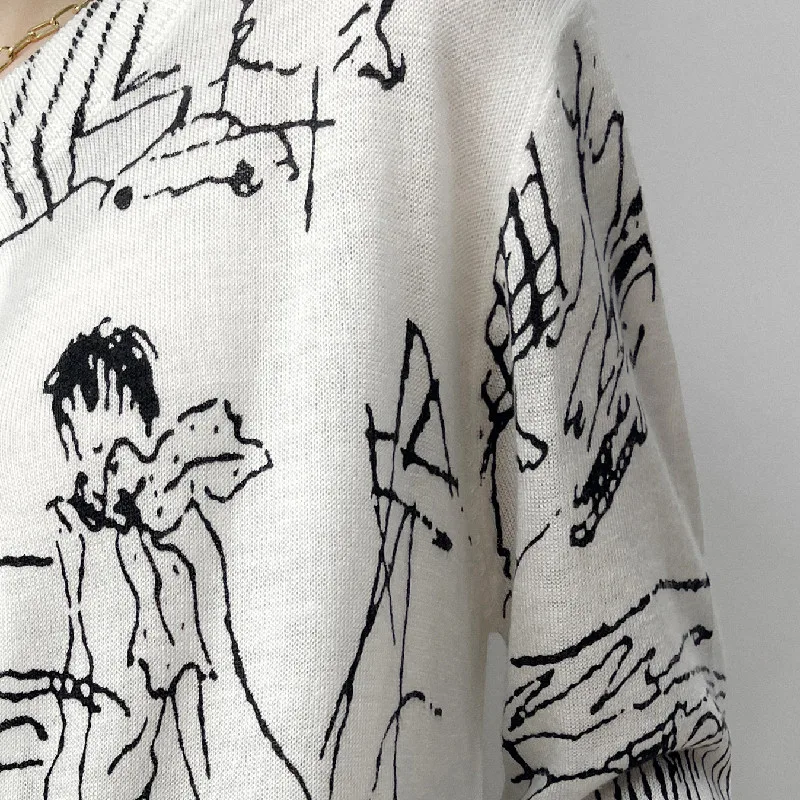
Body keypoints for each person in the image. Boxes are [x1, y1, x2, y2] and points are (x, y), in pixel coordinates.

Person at [0, 0, 731, 799]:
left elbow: (637, 734)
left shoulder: (441, 38)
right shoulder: (93, 552)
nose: (107, 482)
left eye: (120, 454)